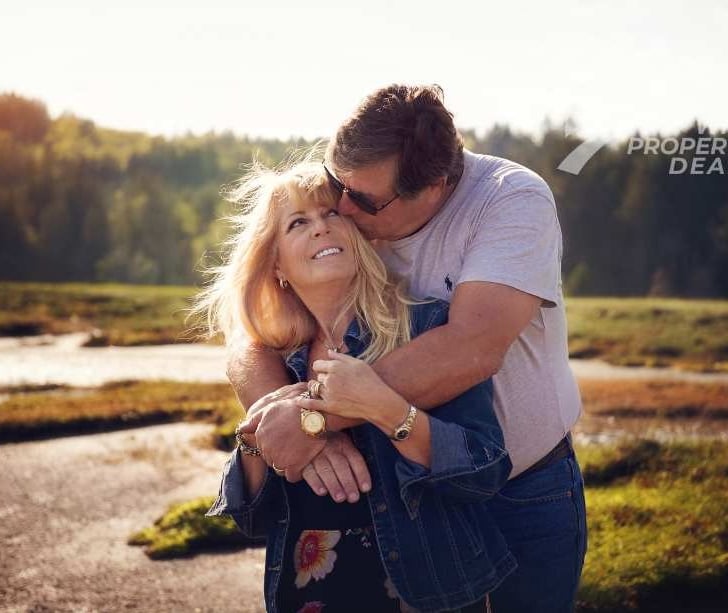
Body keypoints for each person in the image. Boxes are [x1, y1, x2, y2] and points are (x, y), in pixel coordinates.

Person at [229, 85, 588, 612]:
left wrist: (315, 416)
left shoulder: (510, 200)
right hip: (403, 497)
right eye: (335, 185)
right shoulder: (354, 200)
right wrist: (299, 426)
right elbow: (250, 336)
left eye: (364, 201)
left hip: (521, 486)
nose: (342, 209)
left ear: (435, 187)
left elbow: (471, 348)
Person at [195, 161, 516, 612]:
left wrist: (387, 410)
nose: (321, 229)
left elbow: (484, 470)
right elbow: (252, 518)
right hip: (310, 590)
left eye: (332, 215)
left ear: (359, 235)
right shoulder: (279, 360)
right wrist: (257, 442)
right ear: (277, 264)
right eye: (298, 223)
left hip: (424, 590)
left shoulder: (426, 325)